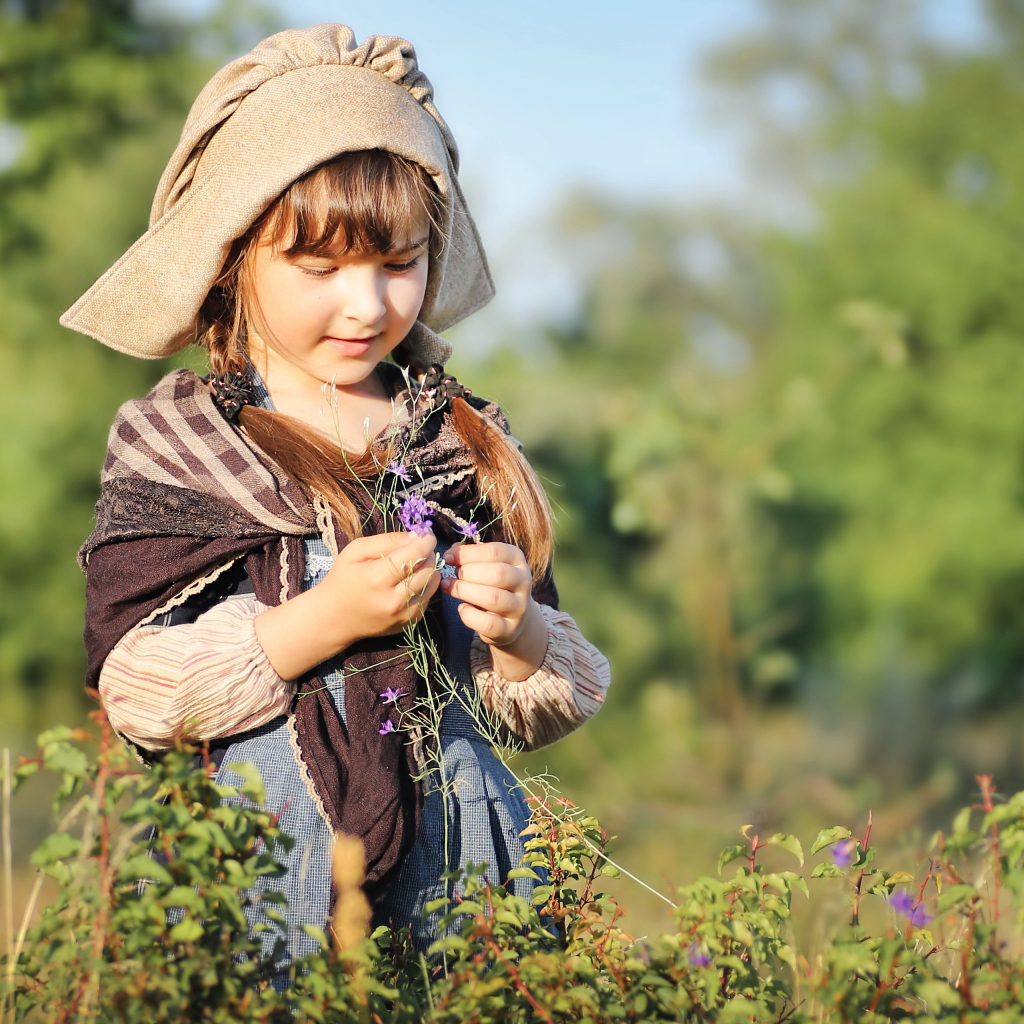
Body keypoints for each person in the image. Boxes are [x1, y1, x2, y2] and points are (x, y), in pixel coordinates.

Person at [64, 25, 610, 961]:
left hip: (464, 866)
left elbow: (539, 710)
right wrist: (323, 619)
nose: (366, 305)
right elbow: (137, 690)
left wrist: (518, 629)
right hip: (261, 861)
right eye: (320, 269)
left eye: (398, 263)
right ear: (235, 258)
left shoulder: (455, 435)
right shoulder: (181, 441)